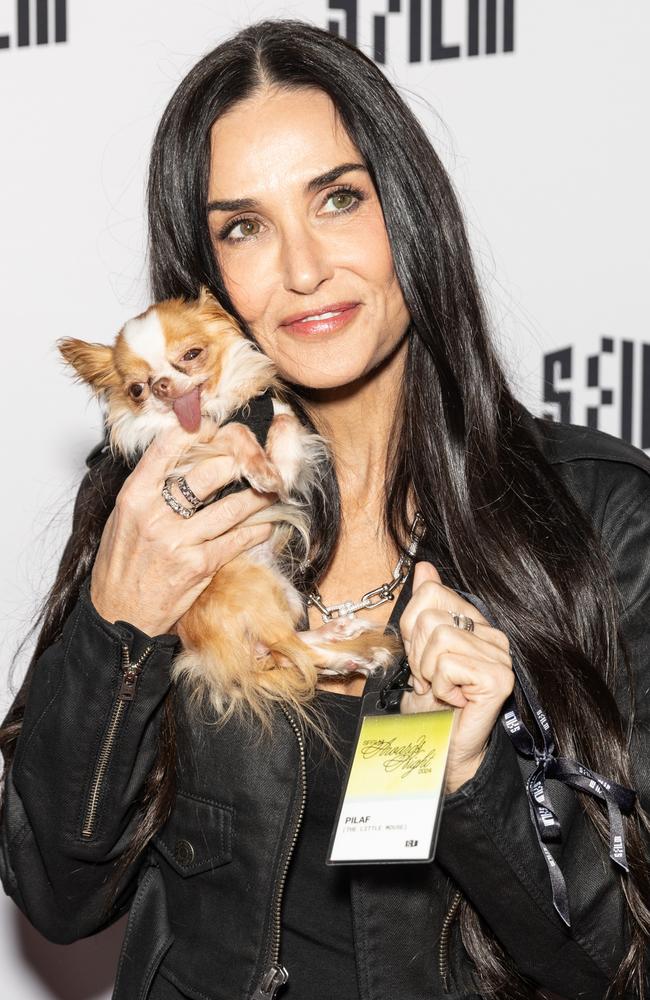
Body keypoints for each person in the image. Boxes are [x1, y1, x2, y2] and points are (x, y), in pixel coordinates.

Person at [1, 17, 649, 1000]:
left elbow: (617, 964)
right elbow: (56, 891)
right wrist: (116, 623)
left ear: (408, 211)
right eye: (243, 227)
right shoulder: (161, 498)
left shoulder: (600, 513)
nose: (301, 269)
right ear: (208, 272)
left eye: (337, 199)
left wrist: (474, 780)